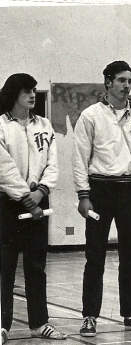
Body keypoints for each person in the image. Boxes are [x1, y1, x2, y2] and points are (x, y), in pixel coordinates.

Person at [72, 61, 131, 337]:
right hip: (99, 190)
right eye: (120, 80)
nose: (126, 85)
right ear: (107, 82)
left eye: (129, 80)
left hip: (129, 189)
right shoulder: (90, 116)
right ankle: (89, 316)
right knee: (95, 256)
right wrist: (84, 195)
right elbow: (80, 159)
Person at [0, 73, 66, 342]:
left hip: (40, 200)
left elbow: (52, 162)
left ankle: (39, 323)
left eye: (34, 90)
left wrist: (42, 191)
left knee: (36, 266)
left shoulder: (44, 125)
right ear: (13, 93)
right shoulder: (2, 126)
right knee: (5, 266)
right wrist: (25, 197)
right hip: (8, 204)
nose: (32, 95)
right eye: (26, 90)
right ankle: (2, 325)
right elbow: (4, 167)